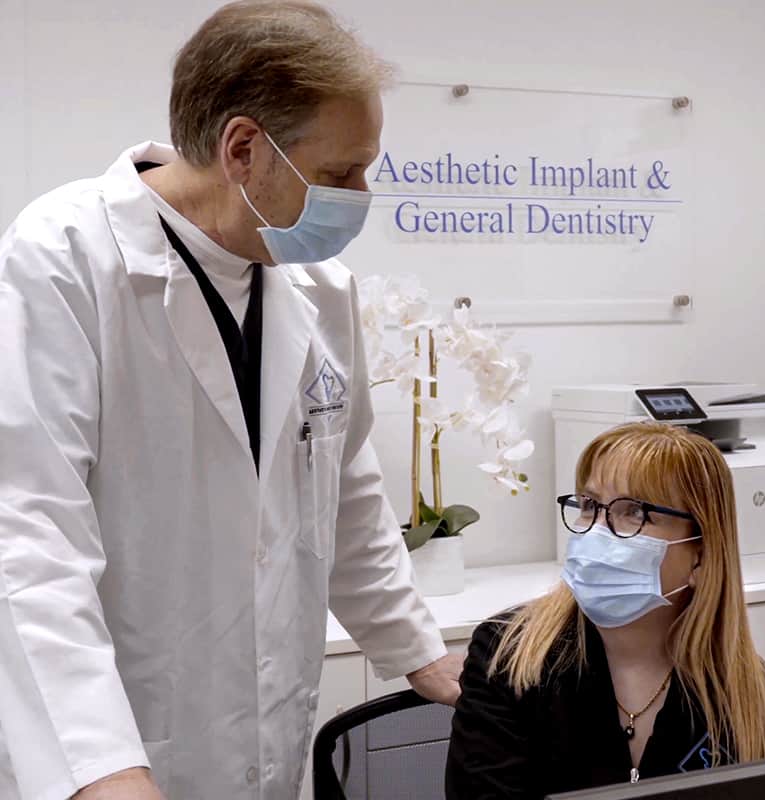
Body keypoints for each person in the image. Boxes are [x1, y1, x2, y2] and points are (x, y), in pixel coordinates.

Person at [0, 3, 461, 799]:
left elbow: (347, 492)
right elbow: (29, 535)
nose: (361, 195)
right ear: (245, 148)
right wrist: (99, 767)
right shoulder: (65, 257)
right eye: (341, 173)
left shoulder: (320, 289)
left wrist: (418, 650)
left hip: (267, 732)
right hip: (123, 742)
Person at [446, 422, 765, 799]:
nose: (596, 531)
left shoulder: (761, 700)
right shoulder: (509, 653)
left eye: (634, 512)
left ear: (700, 556)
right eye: (588, 505)